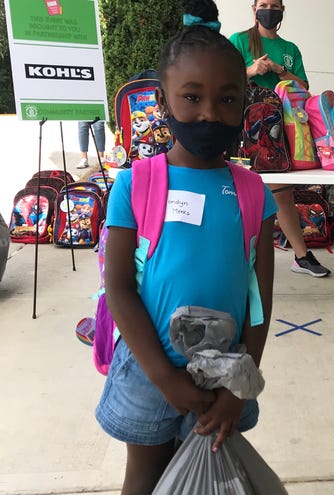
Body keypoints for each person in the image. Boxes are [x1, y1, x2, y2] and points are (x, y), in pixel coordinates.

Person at [94, 1, 278, 493]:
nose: (210, 114)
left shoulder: (252, 191)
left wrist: (241, 386)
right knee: (145, 479)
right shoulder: (136, 184)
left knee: (213, 480)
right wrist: (164, 379)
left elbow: (258, 301)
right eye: (192, 97)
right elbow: (119, 289)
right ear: (163, 98)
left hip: (226, 376)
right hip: (150, 372)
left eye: (227, 99)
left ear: (244, 103)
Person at [229, 0, 331, 278]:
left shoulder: (290, 49)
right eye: (263, 4)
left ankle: (300, 256)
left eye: (274, 5)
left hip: (282, 130)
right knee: (235, 195)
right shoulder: (238, 41)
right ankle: (235, 259)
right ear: (254, 10)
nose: (269, 9)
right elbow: (224, 79)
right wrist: (251, 70)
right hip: (246, 131)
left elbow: (303, 88)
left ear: (282, 11)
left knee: (281, 193)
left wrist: (278, 70)